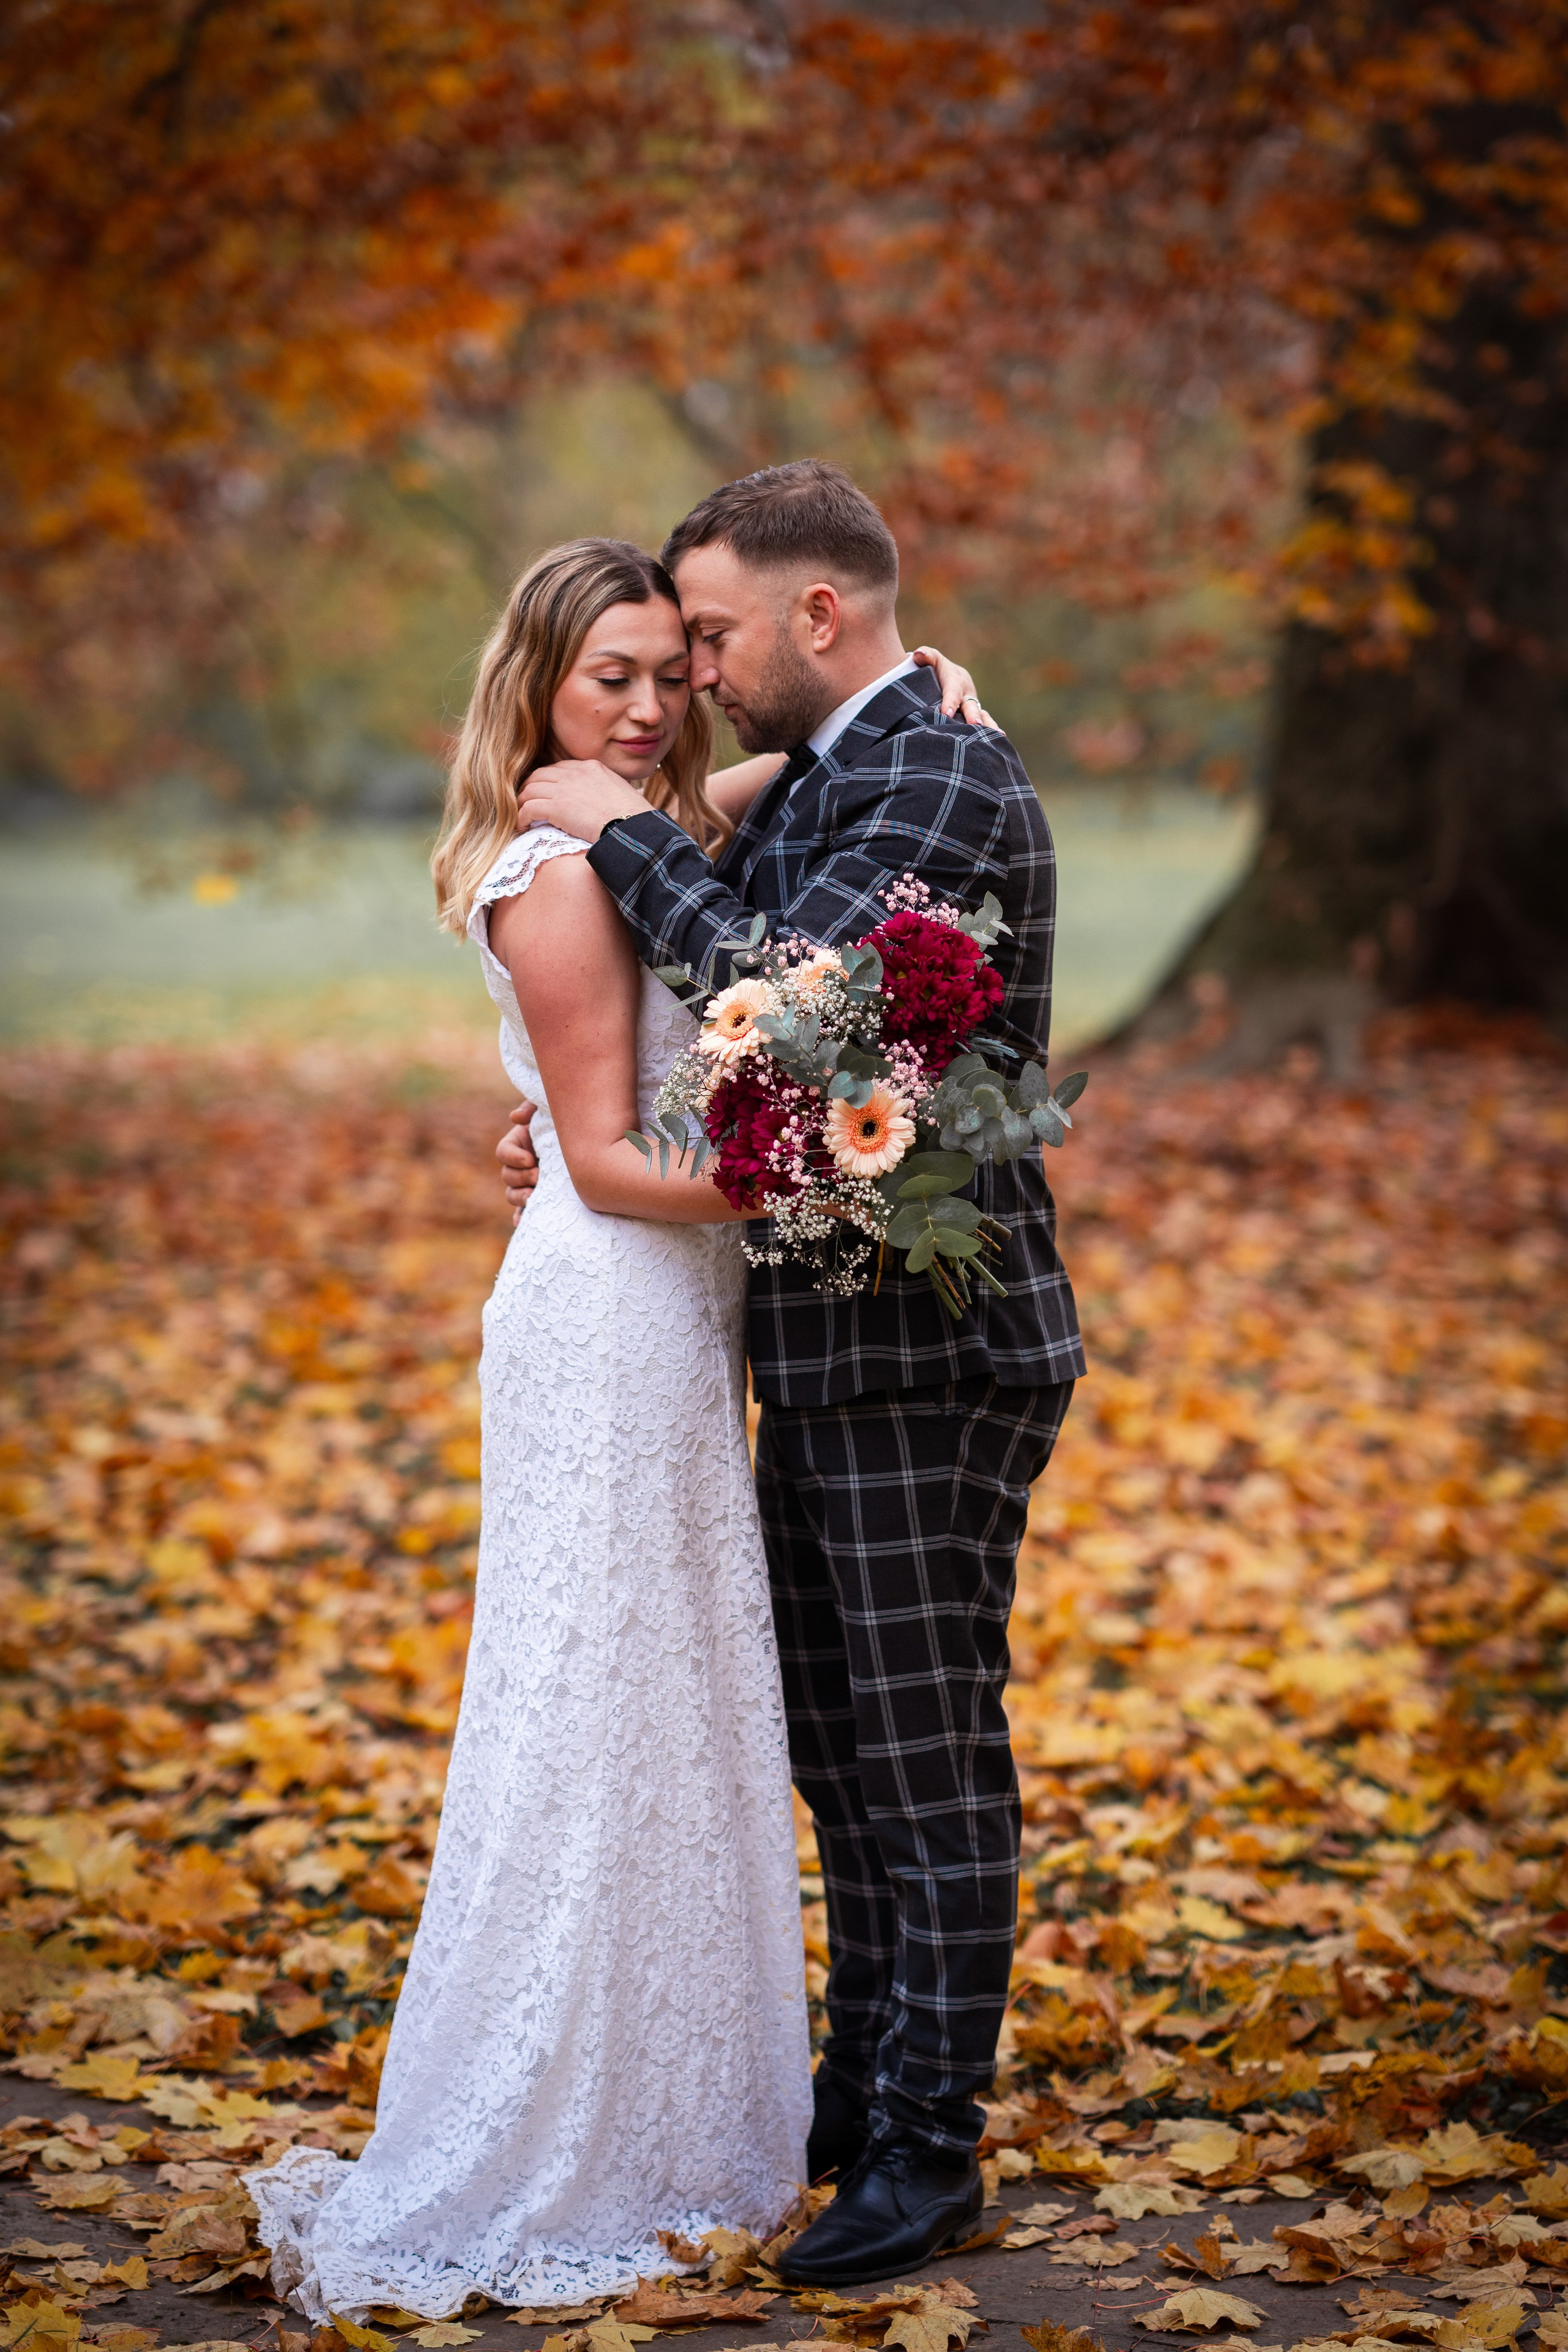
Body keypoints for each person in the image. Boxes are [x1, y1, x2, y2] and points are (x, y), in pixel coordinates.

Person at [245, 537, 987, 2320]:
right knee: (596, 1710)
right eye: (613, 681)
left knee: (668, 1708)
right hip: (614, 1324)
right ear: (541, 688)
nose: (655, 707)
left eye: (673, 669)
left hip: (669, 1324)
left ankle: (668, 2111)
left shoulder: (640, 812)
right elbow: (598, 1159)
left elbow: (816, 755)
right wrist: (853, 1168)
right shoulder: (564, 871)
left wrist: (936, 683)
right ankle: (554, 2128)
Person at [508, 462, 1085, 2289]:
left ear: (815, 617)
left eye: (716, 635)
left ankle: (933, 2148)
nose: (696, 672)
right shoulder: (860, 763)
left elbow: (790, 1012)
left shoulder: (930, 772)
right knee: (842, 1754)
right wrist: (559, 1122)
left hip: (934, 1346)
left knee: (924, 1756)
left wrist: (620, 827)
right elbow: (715, 1055)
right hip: (827, 1346)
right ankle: (863, 2095)